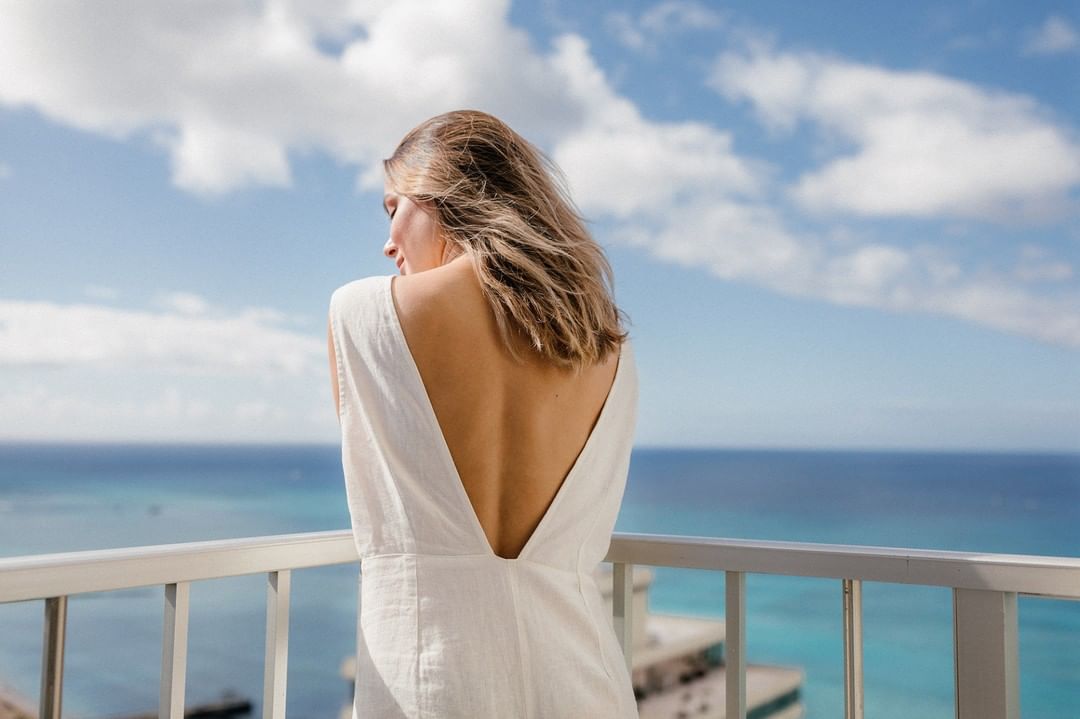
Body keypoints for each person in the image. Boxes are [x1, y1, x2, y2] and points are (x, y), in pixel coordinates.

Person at [327, 110, 639, 718]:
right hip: (584, 682)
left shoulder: (363, 313)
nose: (388, 241)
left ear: (443, 194)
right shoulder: (609, 351)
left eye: (395, 207)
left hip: (432, 680)